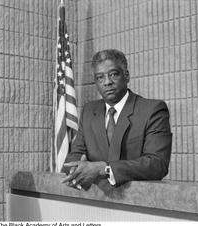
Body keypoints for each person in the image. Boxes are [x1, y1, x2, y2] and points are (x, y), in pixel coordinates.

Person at [62, 49, 172, 190]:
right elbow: (76, 154)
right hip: (95, 200)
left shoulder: (152, 110)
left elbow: (157, 164)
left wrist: (105, 169)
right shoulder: (89, 111)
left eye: (113, 74)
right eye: (100, 77)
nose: (107, 82)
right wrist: (76, 170)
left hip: (136, 202)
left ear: (126, 75)